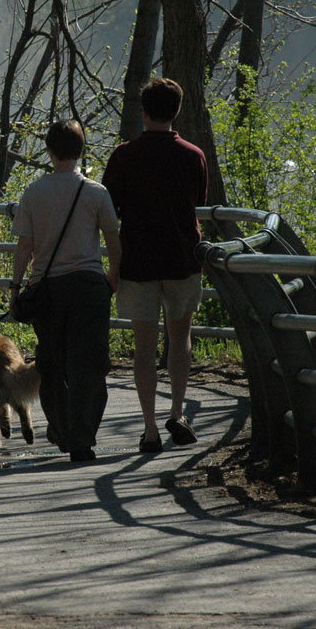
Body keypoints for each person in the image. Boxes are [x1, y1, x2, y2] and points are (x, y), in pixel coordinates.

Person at [102, 78, 208, 453]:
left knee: (144, 348)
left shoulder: (123, 156)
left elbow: (109, 210)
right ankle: (178, 413)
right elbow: (198, 200)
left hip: (138, 262)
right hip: (182, 260)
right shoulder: (193, 155)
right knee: (180, 339)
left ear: (143, 112)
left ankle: (149, 429)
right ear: (176, 111)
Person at [10, 119, 121, 463]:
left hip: (48, 291)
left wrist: (15, 289)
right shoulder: (96, 193)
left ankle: (60, 428)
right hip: (89, 287)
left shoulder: (33, 193)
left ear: (50, 150)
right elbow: (115, 245)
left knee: (52, 365)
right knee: (89, 365)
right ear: (81, 149)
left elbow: (25, 249)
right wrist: (110, 282)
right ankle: (82, 438)